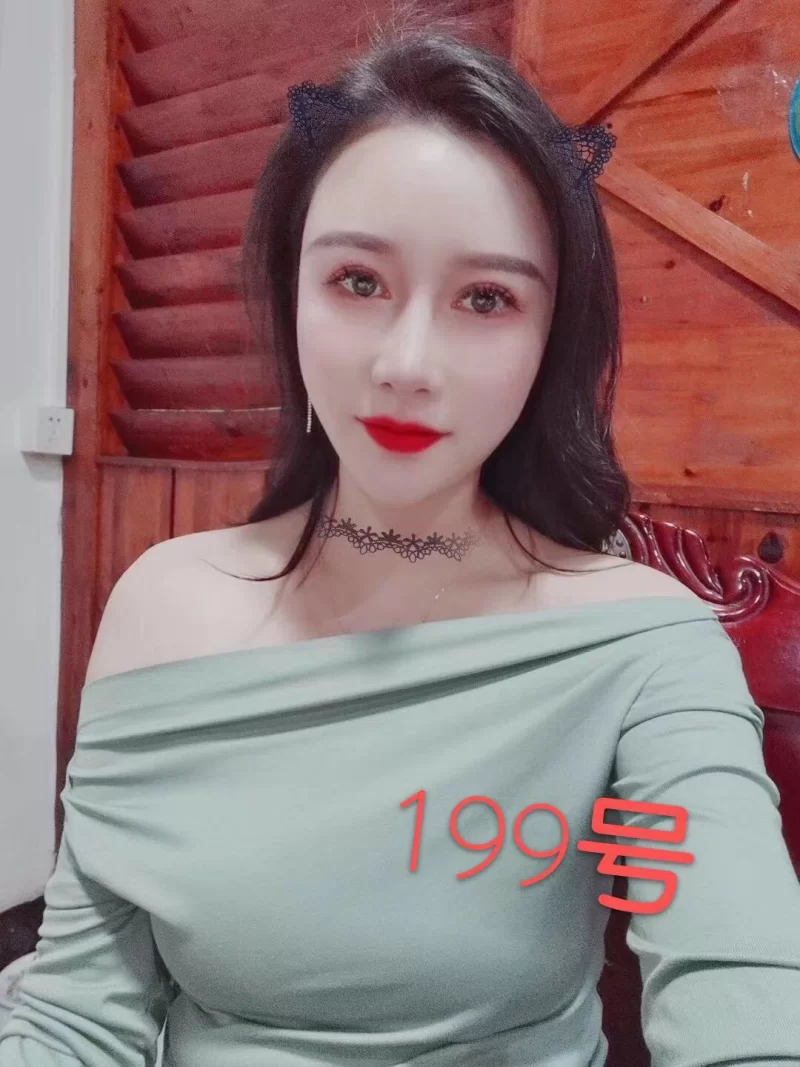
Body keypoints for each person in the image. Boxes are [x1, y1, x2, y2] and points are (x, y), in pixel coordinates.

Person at [3, 15, 800, 1067]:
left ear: (550, 337)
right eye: (358, 281)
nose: (407, 363)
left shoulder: (645, 644)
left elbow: (745, 988)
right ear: (291, 291)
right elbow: (76, 1010)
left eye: (486, 297)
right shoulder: (164, 605)